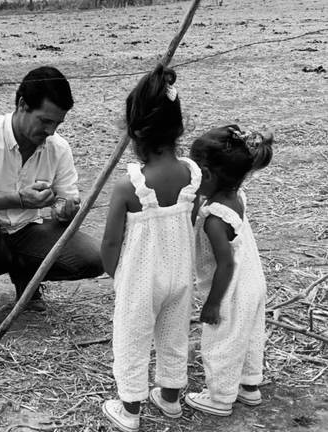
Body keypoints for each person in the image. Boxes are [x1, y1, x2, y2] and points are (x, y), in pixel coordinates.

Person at [0, 66, 103, 345]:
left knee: (93, 259)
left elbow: (66, 199)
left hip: (27, 232)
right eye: (45, 121)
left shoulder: (58, 148)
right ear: (22, 105)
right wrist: (18, 199)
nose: (50, 131)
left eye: (57, 123)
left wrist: (66, 211)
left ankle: (27, 280)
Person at [100, 64, 201, 432]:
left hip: (140, 279)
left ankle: (129, 410)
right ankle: (170, 398)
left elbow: (111, 241)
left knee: (132, 338)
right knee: (174, 334)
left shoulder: (130, 186)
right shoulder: (192, 175)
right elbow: (189, 221)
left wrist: (115, 271)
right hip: (180, 274)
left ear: (135, 132)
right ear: (179, 128)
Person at [185, 125, 273, 416]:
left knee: (222, 341)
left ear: (206, 175)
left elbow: (226, 263)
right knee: (247, 336)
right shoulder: (236, 196)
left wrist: (212, 303)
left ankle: (220, 398)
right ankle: (249, 386)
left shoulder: (215, 220)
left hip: (231, 291)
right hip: (252, 283)